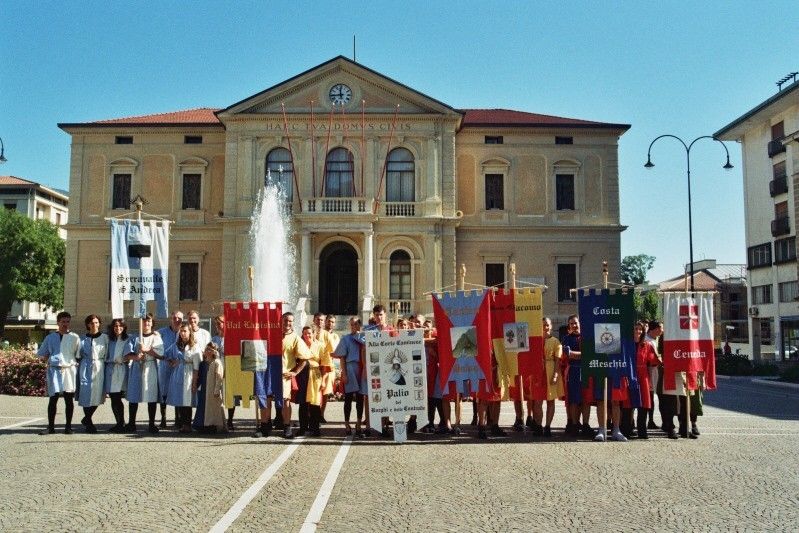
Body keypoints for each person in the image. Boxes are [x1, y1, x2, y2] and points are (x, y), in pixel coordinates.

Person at [37, 311, 81, 435]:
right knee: (53, 398)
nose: (65, 324)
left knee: (68, 398)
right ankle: (51, 427)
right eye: (63, 322)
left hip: (68, 370)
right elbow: (43, 353)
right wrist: (50, 360)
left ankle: (68, 427)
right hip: (54, 369)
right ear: (58, 322)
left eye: (67, 321)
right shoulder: (50, 337)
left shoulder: (74, 337)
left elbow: (78, 355)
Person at [124, 314, 164, 433]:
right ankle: (131, 423)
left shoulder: (156, 338)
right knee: (134, 396)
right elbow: (127, 355)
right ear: (140, 323)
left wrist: (148, 350)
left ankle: (151, 424)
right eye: (144, 321)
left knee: (151, 396)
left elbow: (161, 355)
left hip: (150, 367)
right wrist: (136, 357)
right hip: (137, 368)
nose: (146, 323)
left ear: (152, 323)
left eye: (149, 321)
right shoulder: (135, 338)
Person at [166, 322, 202, 433]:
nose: (182, 333)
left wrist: (194, 383)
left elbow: (196, 367)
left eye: (185, 331)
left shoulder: (194, 346)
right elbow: (166, 355)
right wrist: (172, 362)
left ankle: (188, 425)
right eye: (181, 331)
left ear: (190, 332)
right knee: (180, 400)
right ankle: (183, 424)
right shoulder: (176, 345)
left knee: (187, 401)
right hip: (178, 374)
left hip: (189, 374)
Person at [333, 316, 365, 436]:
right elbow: (342, 358)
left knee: (360, 398)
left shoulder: (364, 338)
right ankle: (347, 424)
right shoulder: (345, 339)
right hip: (350, 368)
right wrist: (344, 374)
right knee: (348, 398)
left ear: (359, 325)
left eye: (356, 324)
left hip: (362, 368)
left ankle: (358, 423)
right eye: (352, 324)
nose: (354, 326)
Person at [77, 314, 108, 433]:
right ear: (88, 325)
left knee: (97, 393)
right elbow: (78, 354)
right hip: (85, 366)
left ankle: (86, 418)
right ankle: (89, 423)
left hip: (99, 366)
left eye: (96, 322)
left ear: (99, 324)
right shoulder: (82, 339)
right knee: (86, 393)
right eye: (92, 323)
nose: (94, 325)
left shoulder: (104, 338)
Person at [632, 320, 660, 439]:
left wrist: (650, 381)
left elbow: (652, 363)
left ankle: (642, 431)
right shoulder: (627, 344)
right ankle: (627, 428)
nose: (638, 331)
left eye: (640, 329)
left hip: (643, 376)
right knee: (628, 405)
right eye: (636, 329)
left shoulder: (647, 345)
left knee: (643, 405)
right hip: (630, 375)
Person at [295, 325, 326, 436]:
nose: (307, 335)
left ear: (314, 334)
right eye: (305, 333)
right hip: (303, 375)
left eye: (309, 333)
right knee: (303, 402)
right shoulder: (300, 345)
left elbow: (324, 365)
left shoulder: (320, 346)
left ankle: (315, 428)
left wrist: (323, 380)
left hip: (315, 375)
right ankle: (303, 428)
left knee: (315, 402)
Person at [562, 315, 589, 438]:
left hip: (586, 371)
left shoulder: (586, 337)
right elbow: (566, 355)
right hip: (573, 371)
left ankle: (586, 425)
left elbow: (589, 354)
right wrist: (581, 354)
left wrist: (574, 353)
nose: (574, 325)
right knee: (573, 400)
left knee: (585, 400)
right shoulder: (566, 339)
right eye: (571, 323)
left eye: (576, 323)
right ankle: (574, 424)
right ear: (569, 326)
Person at [157, 310, 183, 428]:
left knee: (178, 391)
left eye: (179, 318)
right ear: (170, 319)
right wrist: (166, 359)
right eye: (174, 318)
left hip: (179, 366)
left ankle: (178, 419)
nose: (177, 320)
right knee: (164, 392)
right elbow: (157, 348)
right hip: (165, 365)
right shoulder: (161, 332)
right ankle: (163, 418)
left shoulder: (184, 332)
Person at [210, 314, 236, 431]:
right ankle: (218, 420)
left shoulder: (231, 338)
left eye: (219, 323)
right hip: (217, 369)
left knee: (230, 395)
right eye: (216, 323)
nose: (217, 325)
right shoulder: (214, 339)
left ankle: (230, 420)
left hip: (229, 368)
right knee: (216, 394)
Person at [104, 318, 129, 432]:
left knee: (118, 397)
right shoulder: (109, 339)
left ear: (124, 327)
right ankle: (119, 422)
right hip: (111, 369)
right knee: (114, 397)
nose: (118, 328)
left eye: (120, 326)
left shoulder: (127, 339)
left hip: (122, 369)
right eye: (115, 326)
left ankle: (121, 422)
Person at [542, 317, 563, 437]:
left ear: (551, 326)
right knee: (538, 400)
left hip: (550, 370)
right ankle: (537, 424)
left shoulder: (555, 341)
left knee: (550, 400)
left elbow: (557, 360)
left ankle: (547, 426)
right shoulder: (537, 340)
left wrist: (555, 375)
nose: (545, 327)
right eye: (543, 325)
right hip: (540, 371)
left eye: (547, 325)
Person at [199, 341, 227, 433]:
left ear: (215, 351)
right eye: (207, 349)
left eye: (210, 350)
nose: (208, 351)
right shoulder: (208, 362)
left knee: (216, 408)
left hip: (214, 389)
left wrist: (217, 389)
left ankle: (216, 426)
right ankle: (210, 425)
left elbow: (219, 377)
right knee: (210, 409)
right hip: (209, 389)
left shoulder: (217, 362)